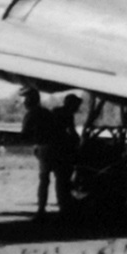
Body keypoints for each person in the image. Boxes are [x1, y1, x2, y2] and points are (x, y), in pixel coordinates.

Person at [22, 90, 74, 220]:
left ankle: (41, 210)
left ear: (30, 101)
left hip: (45, 148)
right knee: (61, 180)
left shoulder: (31, 114)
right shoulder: (46, 112)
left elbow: (25, 133)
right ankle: (64, 209)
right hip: (59, 148)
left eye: (26, 99)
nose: (24, 102)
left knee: (44, 180)